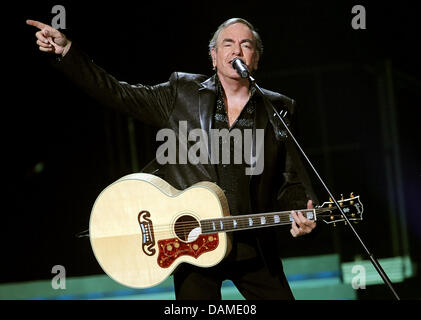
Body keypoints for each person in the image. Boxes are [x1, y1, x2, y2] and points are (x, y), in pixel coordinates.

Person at [26, 17, 318, 300]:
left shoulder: (278, 107)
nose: (237, 51)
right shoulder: (182, 93)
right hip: (192, 246)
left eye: (246, 45)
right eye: (227, 44)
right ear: (214, 56)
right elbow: (117, 93)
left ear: (255, 59)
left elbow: (290, 177)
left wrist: (299, 213)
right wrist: (68, 53)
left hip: (252, 247)